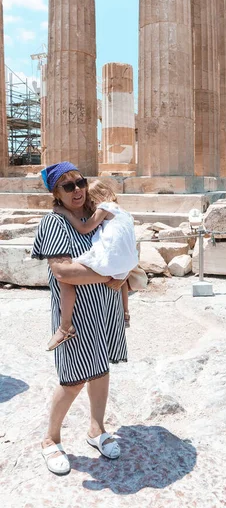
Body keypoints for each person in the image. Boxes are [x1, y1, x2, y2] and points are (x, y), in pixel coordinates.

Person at [32, 162, 127, 476]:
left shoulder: (94, 215)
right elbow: (63, 270)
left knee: (100, 371)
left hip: (105, 307)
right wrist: (110, 274)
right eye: (68, 186)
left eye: (80, 182)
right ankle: (50, 438)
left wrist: (123, 272)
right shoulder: (53, 222)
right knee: (73, 380)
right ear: (56, 194)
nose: (77, 190)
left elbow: (122, 249)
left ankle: (96, 430)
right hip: (76, 316)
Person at [47, 179, 138, 351]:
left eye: (89, 200)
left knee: (65, 278)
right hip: (127, 261)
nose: (88, 204)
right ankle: (125, 313)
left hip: (112, 262)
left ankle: (65, 327)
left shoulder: (105, 207)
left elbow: (84, 228)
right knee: (121, 280)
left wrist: (65, 213)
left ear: (97, 197)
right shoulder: (124, 213)